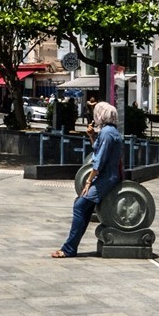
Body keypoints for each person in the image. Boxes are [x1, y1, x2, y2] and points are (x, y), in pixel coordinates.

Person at [51, 101, 122, 258]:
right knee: (83, 208)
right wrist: (92, 136)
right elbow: (98, 149)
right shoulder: (111, 131)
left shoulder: (106, 133)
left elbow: (99, 160)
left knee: (79, 206)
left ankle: (69, 248)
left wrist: (89, 181)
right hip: (108, 176)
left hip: (106, 178)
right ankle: (70, 247)